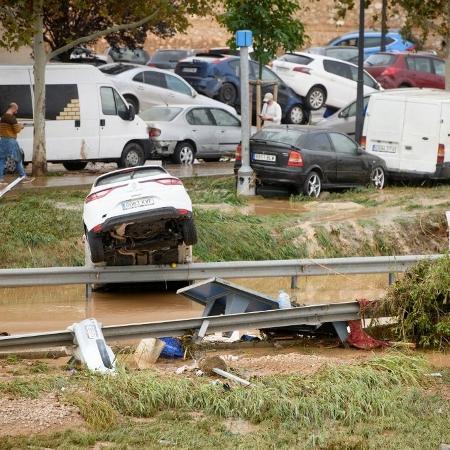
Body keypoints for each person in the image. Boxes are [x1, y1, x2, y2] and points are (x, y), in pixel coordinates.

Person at [0, 102, 33, 185]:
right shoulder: (12, 118)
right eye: (16, 110)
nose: (17, 112)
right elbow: (16, 130)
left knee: (2, 160)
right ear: (13, 108)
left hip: (3, 140)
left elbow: (6, 128)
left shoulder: (3, 117)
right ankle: (23, 177)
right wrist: (20, 126)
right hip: (11, 141)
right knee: (18, 159)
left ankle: (0, 179)